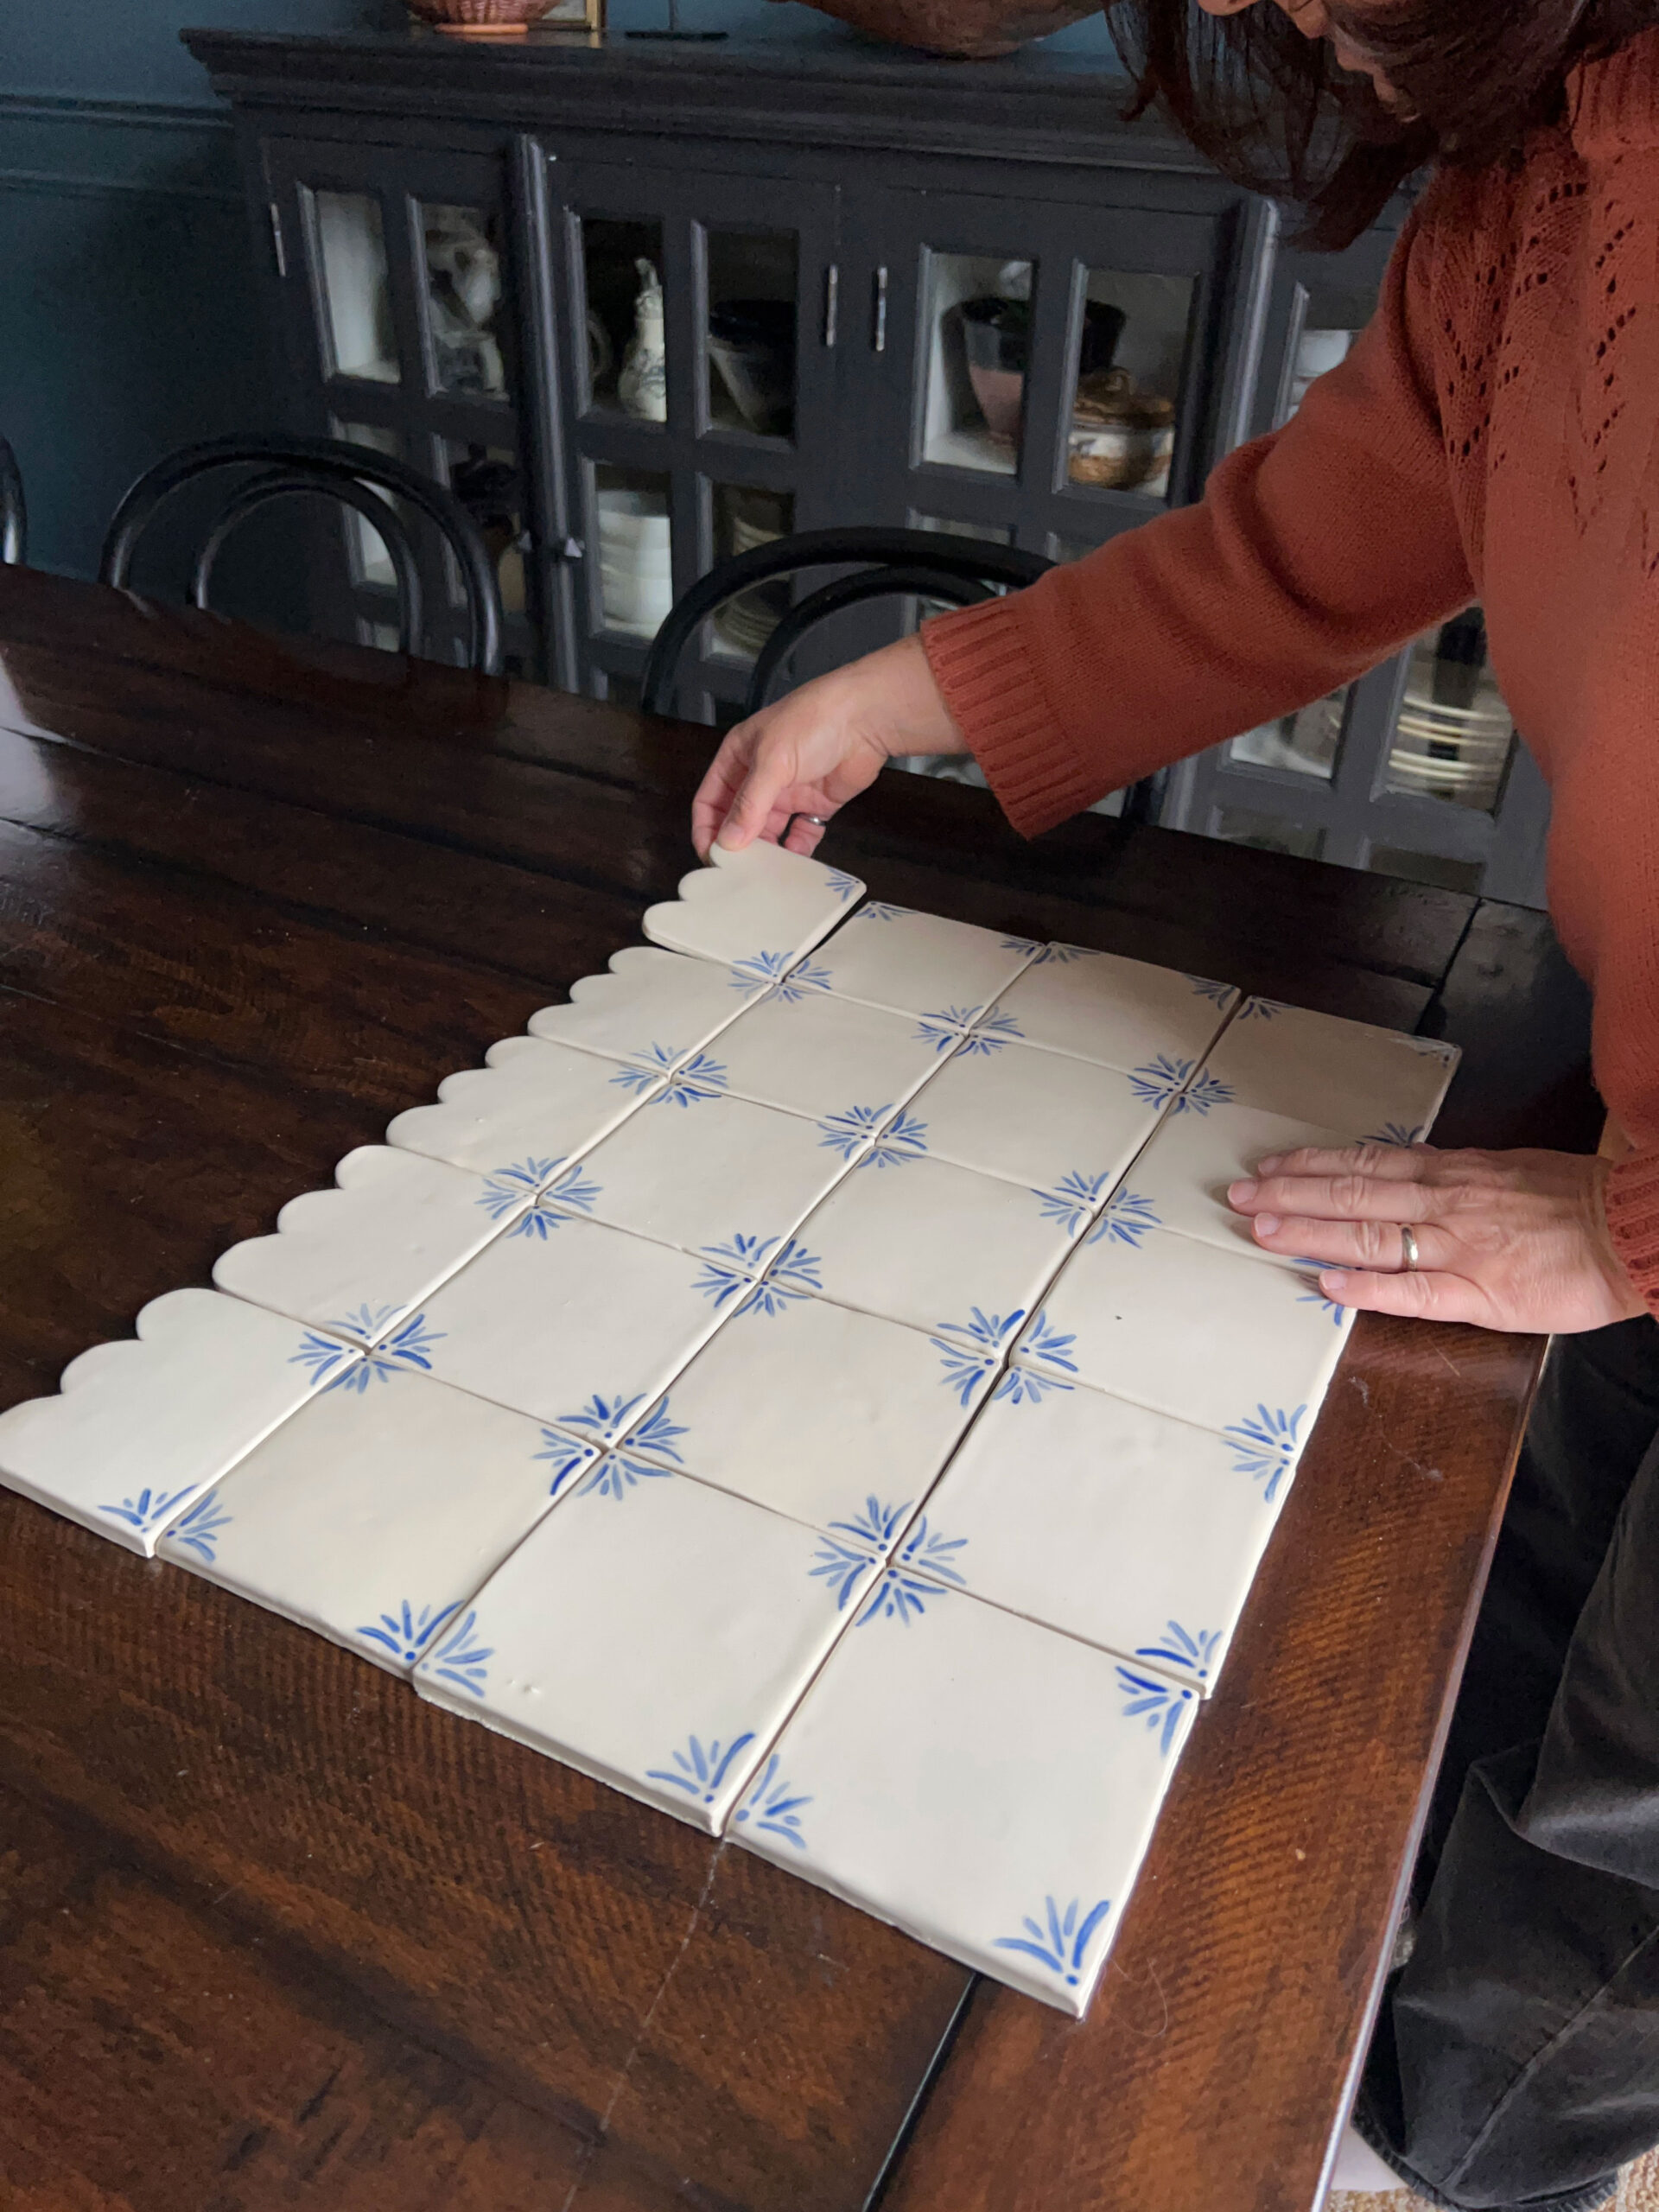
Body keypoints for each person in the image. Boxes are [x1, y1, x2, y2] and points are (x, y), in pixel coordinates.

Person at [691, 2, 1659, 2205]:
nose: (1279, 13)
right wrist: (897, 693)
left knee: (1622, 1852)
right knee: (1517, 1622)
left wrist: (1631, 1231)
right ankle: (1363, 2032)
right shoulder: (1520, 201)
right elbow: (1286, 565)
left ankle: (1427, 2159)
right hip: (1627, 1113)